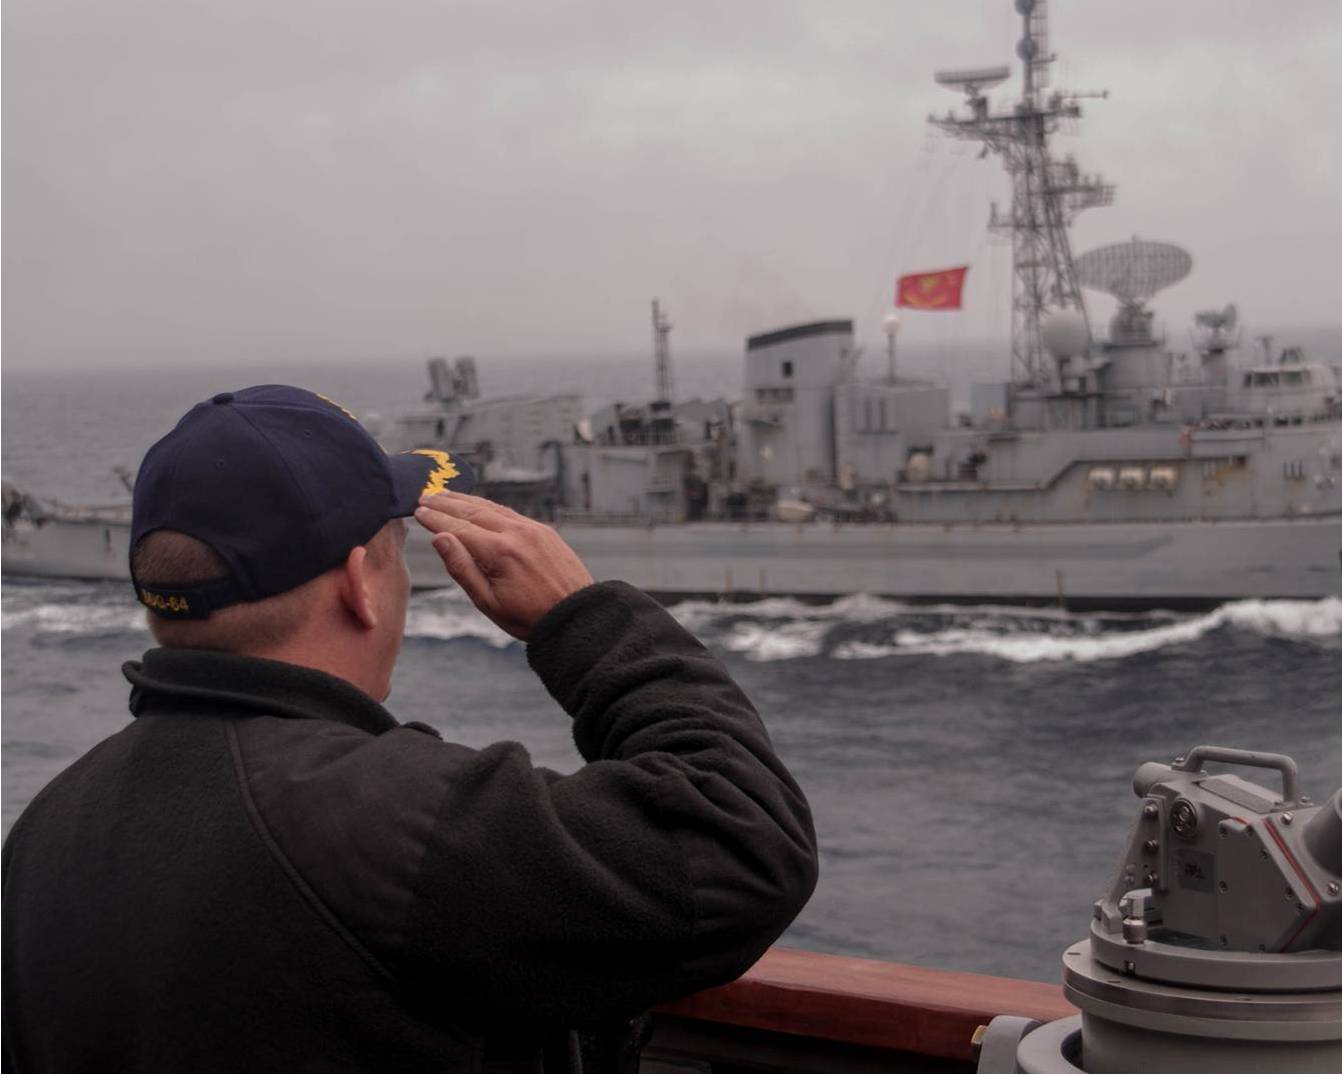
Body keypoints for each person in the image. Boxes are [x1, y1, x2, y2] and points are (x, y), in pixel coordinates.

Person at [1, 386, 818, 1071]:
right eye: (399, 552)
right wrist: (585, 618)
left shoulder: (43, 836)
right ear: (362, 583)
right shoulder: (394, 823)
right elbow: (746, 843)